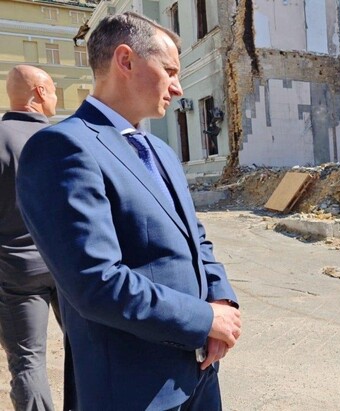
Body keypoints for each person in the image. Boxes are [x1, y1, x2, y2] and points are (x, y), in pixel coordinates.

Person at [16, 12, 242, 410]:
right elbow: (96, 282)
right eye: (170, 70)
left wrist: (220, 301)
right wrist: (201, 319)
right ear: (126, 60)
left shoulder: (161, 152)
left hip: (199, 375)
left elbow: (195, 236)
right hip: (132, 387)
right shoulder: (63, 148)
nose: (178, 87)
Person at [0, 65, 59, 410]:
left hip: (16, 271)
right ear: (38, 92)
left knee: (26, 361)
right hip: (69, 267)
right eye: (51, 90)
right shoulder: (63, 141)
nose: (54, 97)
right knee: (87, 349)